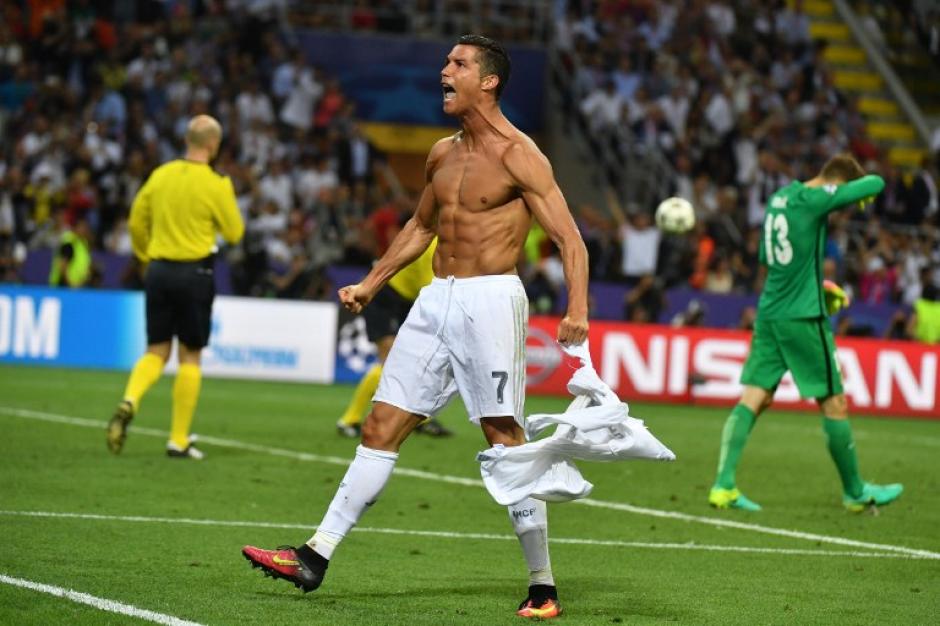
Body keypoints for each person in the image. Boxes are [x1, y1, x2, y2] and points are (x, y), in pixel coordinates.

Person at [242, 35, 589, 620]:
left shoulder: (520, 153)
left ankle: (542, 585)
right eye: (446, 62)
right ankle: (314, 556)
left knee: (506, 442)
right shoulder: (440, 154)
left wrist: (576, 308)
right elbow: (420, 226)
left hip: (491, 300)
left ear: (489, 81)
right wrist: (372, 282)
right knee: (381, 424)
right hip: (435, 302)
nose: (443, 71)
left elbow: (569, 238)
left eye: (458, 65)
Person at [708, 153, 903, 512]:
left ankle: (723, 485)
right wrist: (854, 192)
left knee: (755, 397)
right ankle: (855, 491)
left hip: (771, 312)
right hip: (801, 318)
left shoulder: (779, 199)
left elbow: (774, 261)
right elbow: (876, 182)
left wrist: (817, 287)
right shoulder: (816, 199)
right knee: (834, 400)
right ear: (836, 187)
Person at [106, 115, 245, 459]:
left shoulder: (160, 174)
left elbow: (137, 220)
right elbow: (234, 233)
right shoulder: (217, 183)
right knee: (190, 355)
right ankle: (178, 439)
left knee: (155, 350)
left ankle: (130, 399)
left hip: (158, 270)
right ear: (213, 144)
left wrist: (143, 256)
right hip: (194, 273)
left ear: (188, 140)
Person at [335, 236, 453, 438]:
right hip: (384, 296)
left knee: (415, 360)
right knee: (390, 362)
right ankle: (349, 419)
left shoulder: (446, 243)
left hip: (403, 301)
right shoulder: (434, 245)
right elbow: (430, 289)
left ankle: (422, 419)